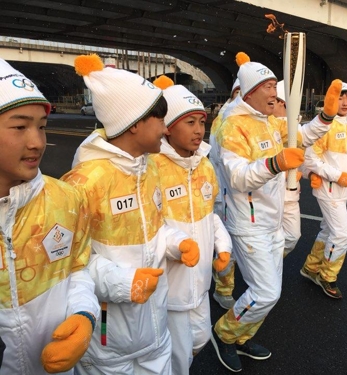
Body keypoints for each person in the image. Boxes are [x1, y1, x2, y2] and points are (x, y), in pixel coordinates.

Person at [61, 54, 200, 375]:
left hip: (155, 331)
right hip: (108, 344)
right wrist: (125, 283)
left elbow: (155, 228)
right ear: (134, 123)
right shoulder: (85, 181)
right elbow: (70, 263)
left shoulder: (148, 168)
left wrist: (177, 243)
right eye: (161, 121)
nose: (166, 130)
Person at [209, 51, 342, 372]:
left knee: (269, 293)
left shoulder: (266, 121)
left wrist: (325, 117)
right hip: (246, 221)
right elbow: (239, 177)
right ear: (249, 92)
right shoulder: (233, 127)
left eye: (274, 86)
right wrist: (276, 163)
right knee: (266, 292)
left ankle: (241, 336)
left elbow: (300, 136)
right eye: (267, 87)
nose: (273, 92)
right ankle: (224, 334)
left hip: (271, 218)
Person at [0, 58, 99, 374]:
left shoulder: (65, 198)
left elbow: (78, 268)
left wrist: (84, 314)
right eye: (20, 127)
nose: (37, 142)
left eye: (41, 127)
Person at [150, 76, 232, 375]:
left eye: (201, 121)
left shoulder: (205, 165)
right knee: (178, 358)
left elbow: (211, 216)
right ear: (168, 127)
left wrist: (222, 247)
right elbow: (149, 229)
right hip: (172, 287)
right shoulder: (153, 167)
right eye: (190, 123)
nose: (199, 130)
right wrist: (178, 246)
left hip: (201, 281)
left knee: (200, 338)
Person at [299, 82, 347, 299]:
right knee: (342, 236)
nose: (345, 102)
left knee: (328, 231)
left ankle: (311, 268)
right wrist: (338, 176)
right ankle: (327, 275)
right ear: (332, 100)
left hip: (344, 189)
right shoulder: (324, 125)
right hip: (328, 189)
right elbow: (311, 158)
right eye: (340, 98)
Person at [209, 78, 240, 310]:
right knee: (226, 243)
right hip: (226, 194)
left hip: (241, 196)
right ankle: (223, 289)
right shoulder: (228, 119)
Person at [274, 80, 302, 257]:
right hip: (269, 194)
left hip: (291, 194)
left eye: (273, 100)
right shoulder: (265, 126)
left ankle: (268, 263)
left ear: (282, 103)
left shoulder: (297, 128)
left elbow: (308, 156)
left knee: (292, 236)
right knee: (268, 238)